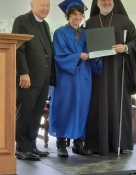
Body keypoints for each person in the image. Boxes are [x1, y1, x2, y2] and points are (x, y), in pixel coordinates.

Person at [84, 0, 136, 155]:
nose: (106, 2)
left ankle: (120, 143)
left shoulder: (124, 21)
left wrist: (125, 47)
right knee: (97, 104)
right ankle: (96, 144)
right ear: (97, 3)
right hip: (97, 73)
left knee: (117, 103)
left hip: (118, 73)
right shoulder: (89, 23)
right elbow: (83, 45)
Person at [49, 0, 102, 157]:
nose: (77, 17)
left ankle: (78, 144)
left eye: (80, 14)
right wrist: (78, 56)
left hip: (84, 76)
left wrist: (98, 56)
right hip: (66, 77)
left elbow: (94, 56)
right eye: (74, 14)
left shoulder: (87, 34)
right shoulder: (60, 33)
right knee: (64, 107)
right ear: (68, 16)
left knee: (82, 108)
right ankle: (61, 145)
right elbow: (59, 56)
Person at [12, 0, 56, 160]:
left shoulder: (44, 24)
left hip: (43, 77)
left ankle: (32, 146)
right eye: (42, 5)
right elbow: (18, 48)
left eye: (47, 6)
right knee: (25, 113)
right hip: (28, 77)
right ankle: (22, 148)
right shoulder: (22, 20)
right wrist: (23, 73)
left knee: (36, 113)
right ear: (32, 5)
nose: (45, 8)